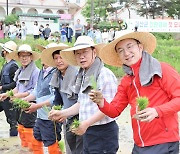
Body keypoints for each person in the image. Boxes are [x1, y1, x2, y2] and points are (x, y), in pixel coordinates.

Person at [89, 31, 180, 154]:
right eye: (120, 50)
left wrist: (157, 111)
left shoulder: (162, 69)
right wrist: (101, 102)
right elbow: (114, 111)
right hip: (139, 145)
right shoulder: (127, 80)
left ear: (140, 47)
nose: (126, 53)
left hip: (163, 143)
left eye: (130, 46)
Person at [48, 36, 119, 154]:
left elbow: (111, 108)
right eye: (78, 53)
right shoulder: (83, 75)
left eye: (85, 52)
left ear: (94, 52)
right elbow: (81, 104)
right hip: (88, 131)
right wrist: (62, 113)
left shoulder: (104, 74)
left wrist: (86, 124)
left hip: (103, 132)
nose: (81, 56)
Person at [41, 43, 83, 154]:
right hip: (66, 118)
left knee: (80, 149)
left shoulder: (78, 74)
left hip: (80, 118)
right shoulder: (57, 75)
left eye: (62, 57)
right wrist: (56, 110)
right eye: (56, 58)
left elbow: (82, 101)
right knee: (69, 147)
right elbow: (57, 98)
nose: (59, 61)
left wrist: (64, 113)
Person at [0, 44, 40, 151]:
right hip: (19, 106)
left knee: (29, 134)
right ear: (18, 57)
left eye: (27, 55)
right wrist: (7, 94)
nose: (24, 58)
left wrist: (19, 96)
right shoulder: (20, 71)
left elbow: (35, 91)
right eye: (22, 56)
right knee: (21, 132)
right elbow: (17, 88)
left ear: (31, 57)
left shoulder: (36, 72)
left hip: (29, 107)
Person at [23, 58, 62, 154]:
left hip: (50, 116)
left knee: (51, 142)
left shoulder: (56, 73)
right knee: (36, 138)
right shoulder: (42, 71)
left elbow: (55, 98)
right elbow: (36, 91)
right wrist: (24, 100)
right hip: (40, 116)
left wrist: (37, 106)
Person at [0, 41, 19, 136]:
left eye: (3, 50)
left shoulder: (13, 66)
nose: (2, 51)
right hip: (2, 95)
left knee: (12, 121)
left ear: (6, 52)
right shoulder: (5, 65)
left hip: (9, 97)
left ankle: (14, 140)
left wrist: (2, 87)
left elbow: (16, 83)